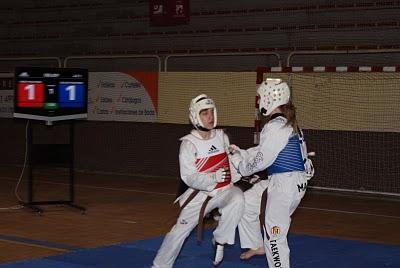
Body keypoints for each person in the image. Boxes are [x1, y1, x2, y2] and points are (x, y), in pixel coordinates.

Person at [152, 94, 244, 268]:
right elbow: (188, 177)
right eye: (204, 113)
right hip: (200, 195)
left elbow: (229, 164)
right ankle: (159, 265)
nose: (210, 117)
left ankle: (220, 240)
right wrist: (212, 177)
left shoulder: (221, 136)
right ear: (195, 116)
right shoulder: (189, 144)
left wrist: (243, 170)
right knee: (179, 232)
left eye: (211, 112)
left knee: (238, 198)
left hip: (224, 190)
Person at [230, 78, 314, 268]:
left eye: (260, 97)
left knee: (274, 235)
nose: (259, 102)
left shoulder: (275, 127)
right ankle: (257, 245)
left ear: (270, 99)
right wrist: (242, 154)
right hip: (289, 182)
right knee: (247, 203)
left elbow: (262, 161)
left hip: (284, 186)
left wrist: (240, 166)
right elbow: (266, 151)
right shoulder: (287, 124)